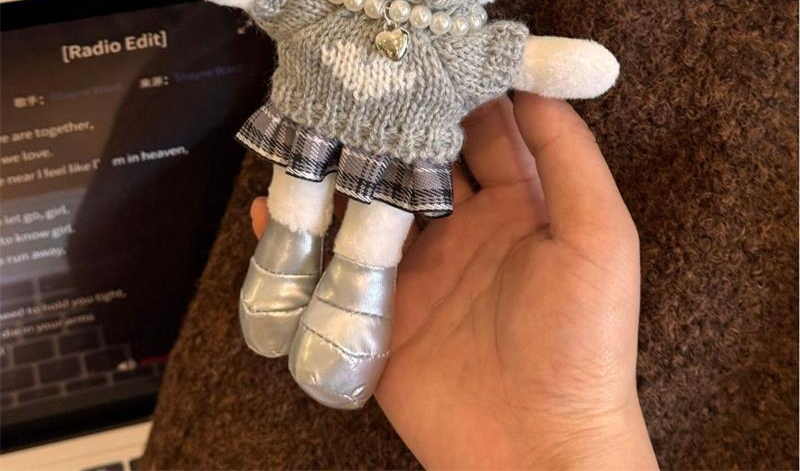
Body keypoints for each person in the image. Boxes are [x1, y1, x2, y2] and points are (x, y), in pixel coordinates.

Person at [250, 92, 658, 470]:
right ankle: (302, 250)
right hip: (330, 106)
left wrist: (569, 437)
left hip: (402, 139)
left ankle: (322, 269)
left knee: (373, 218)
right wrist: (567, 438)